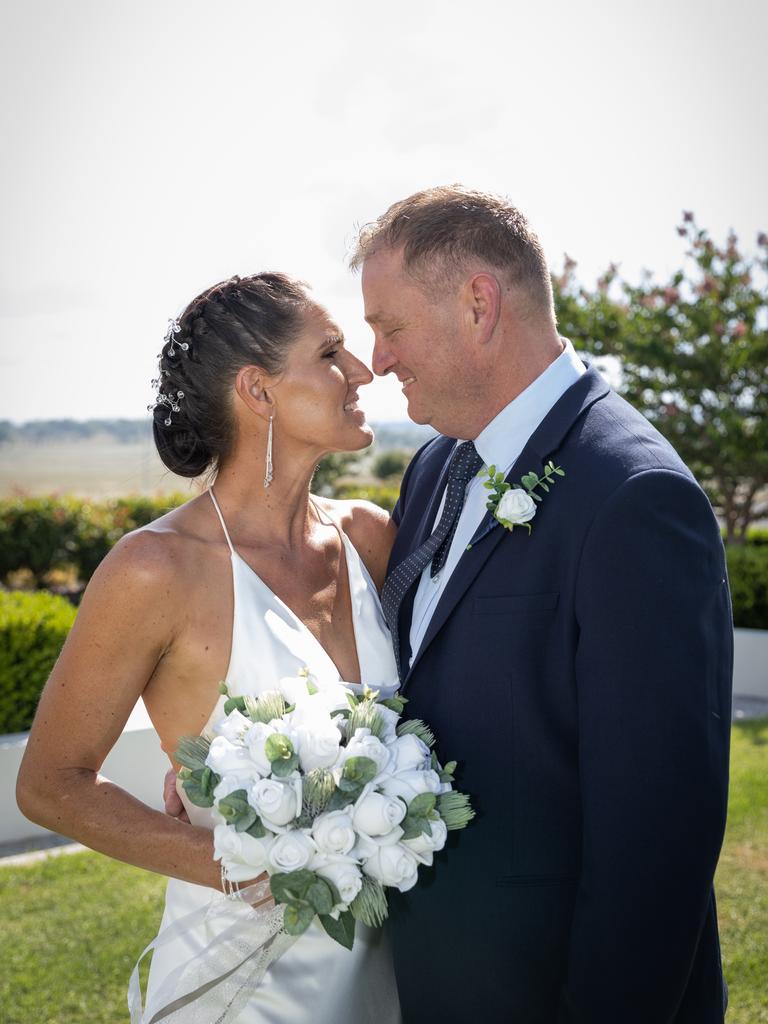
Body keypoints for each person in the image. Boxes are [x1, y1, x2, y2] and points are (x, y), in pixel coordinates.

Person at [347, 186, 732, 1023]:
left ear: (478, 304)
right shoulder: (435, 467)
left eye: (391, 326)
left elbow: (656, 840)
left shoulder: (635, 496)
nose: (376, 359)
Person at [16, 272, 402, 1023]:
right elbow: (50, 783)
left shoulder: (370, 538)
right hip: (245, 977)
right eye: (331, 354)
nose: (363, 371)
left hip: (393, 968)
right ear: (257, 391)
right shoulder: (154, 570)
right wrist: (242, 864)